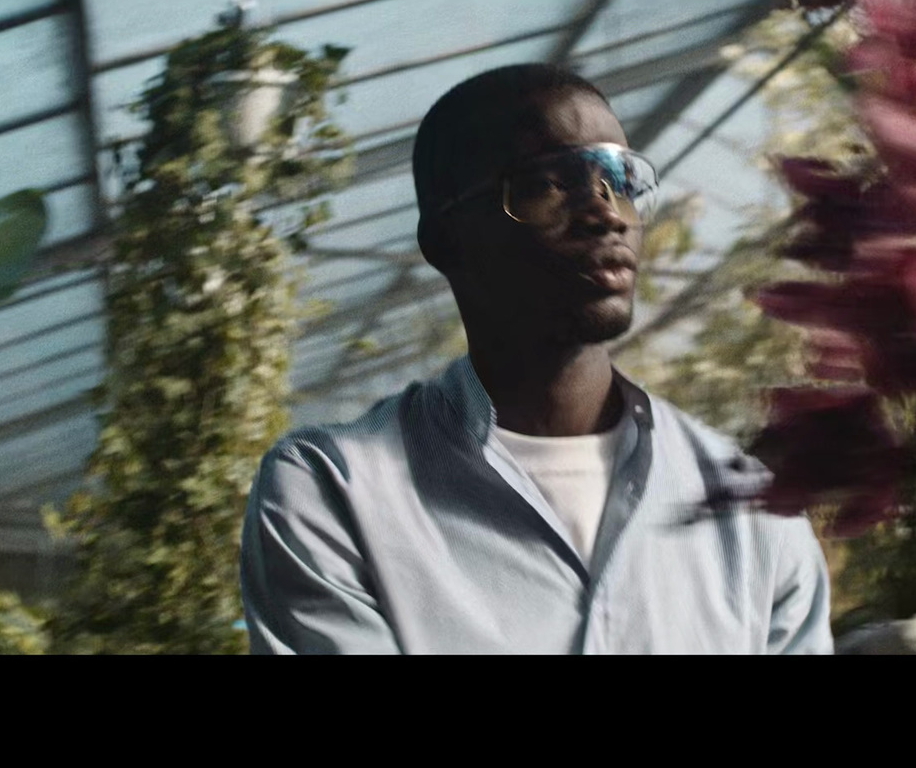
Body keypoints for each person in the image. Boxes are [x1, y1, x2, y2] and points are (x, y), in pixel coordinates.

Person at [239, 63, 833, 654]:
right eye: (548, 183)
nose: (607, 214)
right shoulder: (335, 490)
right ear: (445, 238)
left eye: (621, 180)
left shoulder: (751, 511)